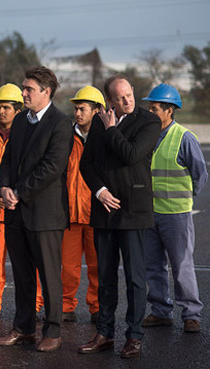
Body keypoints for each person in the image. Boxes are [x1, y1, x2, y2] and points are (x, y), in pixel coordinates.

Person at [78, 75, 161, 359]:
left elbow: (131, 154)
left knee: (136, 278)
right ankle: (104, 332)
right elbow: (85, 163)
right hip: (105, 211)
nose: (127, 101)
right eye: (120, 98)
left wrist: (111, 129)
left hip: (134, 212)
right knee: (105, 276)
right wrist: (99, 190)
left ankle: (134, 337)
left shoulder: (148, 121)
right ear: (109, 101)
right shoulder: (101, 122)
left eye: (129, 95)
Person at [0, 66, 73, 352]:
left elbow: (52, 167)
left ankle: (52, 330)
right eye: (23, 88)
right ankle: (24, 328)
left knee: (50, 275)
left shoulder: (61, 123)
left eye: (28, 89)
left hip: (45, 215)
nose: (23, 93)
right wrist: (4, 187)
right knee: (23, 274)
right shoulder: (21, 122)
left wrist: (18, 192)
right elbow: (8, 159)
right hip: (16, 211)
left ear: (46, 92)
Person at [141, 84, 206, 333]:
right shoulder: (147, 136)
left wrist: (186, 201)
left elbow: (200, 175)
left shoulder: (184, 137)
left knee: (182, 265)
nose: (150, 112)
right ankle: (160, 311)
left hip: (176, 215)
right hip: (149, 214)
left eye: (154, 108)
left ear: (169, 110)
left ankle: (191, 314)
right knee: (153, 265)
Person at [0, 83, 44, 321]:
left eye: (6, 107)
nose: (0, 112)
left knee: (28, 262)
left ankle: (34, 304)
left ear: (18, 110)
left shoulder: (29, 136)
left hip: (22, 210)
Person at [60, 86, 104, 323]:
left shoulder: (107, 138)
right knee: (68, 268)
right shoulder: (66, 137)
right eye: (75, 108)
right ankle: (65, 306)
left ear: (97, 111)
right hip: (71, 214)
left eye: (82, 109)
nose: (77, 113)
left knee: (98, 266)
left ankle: (97, 308)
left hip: (97, 214)